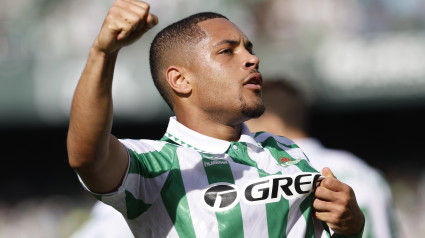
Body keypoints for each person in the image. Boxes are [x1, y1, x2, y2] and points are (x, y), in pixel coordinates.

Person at [67, 0, 365, 237]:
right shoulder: (152, 166)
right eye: (227, 51)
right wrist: (102, 53)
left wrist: (350, 229)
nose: (251, 58)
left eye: (249, 48)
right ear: (181, 80)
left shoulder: (286, 152)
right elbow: (87, 156)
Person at [246, 79, 397, 238]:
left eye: (247, 124)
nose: (244, 134)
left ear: (271, 123)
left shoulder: (276, 176)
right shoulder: (367, 172)